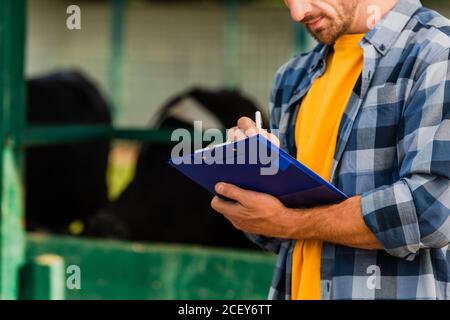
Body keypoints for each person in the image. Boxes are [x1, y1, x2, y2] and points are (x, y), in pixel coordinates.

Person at [211, 0, 450, 300]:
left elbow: (431, 210)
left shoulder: (437, 54)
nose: (298, 12)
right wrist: (253, 173)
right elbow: (277, 236)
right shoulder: (292, 76)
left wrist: (290, 222)